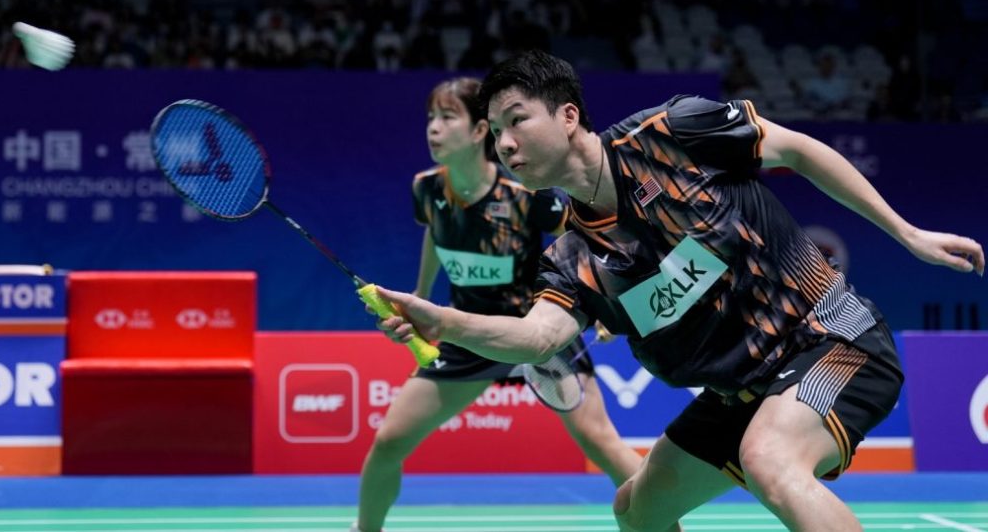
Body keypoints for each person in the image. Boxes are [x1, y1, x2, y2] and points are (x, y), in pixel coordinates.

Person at [371, 51, 985, 532]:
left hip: (828, 338)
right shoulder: (573, 258)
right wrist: (442, 321)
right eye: (498, 130)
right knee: (636, 510)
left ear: (567, 116)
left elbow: (797, 151)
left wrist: (906, 233)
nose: (504, 144)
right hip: (738, 391)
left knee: (769, 460)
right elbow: (537, 337)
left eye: (517, 120)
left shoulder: (671, 133)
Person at [352, 76, 641, 532]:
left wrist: (603, 301)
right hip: (467, 333)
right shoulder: (426, 189)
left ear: (478, 131)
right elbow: (435, 234)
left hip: (538, 328)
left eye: (448, 117)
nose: (433, 128)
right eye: (430, 117)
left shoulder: (524, 196)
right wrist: (422, 294)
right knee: (389, 441)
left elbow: (586, 237)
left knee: (598, 439)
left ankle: (666, 520)